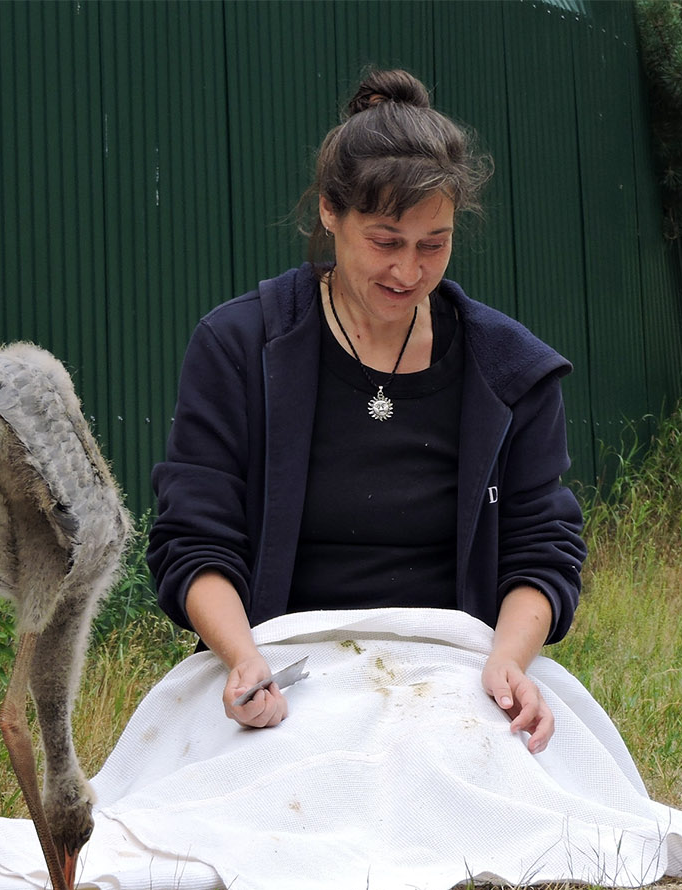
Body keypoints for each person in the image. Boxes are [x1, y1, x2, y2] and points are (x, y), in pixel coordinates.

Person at [147, 68, 585, 753]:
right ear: (329, 211)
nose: (408, 273)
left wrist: (508, 661)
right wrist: (243, 660)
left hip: (456, 670)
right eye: (386, 241)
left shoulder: (510, 371)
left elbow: (542, 551)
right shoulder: (236, 347)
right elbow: (194, 539)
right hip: (286, 668)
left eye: (432, 244)